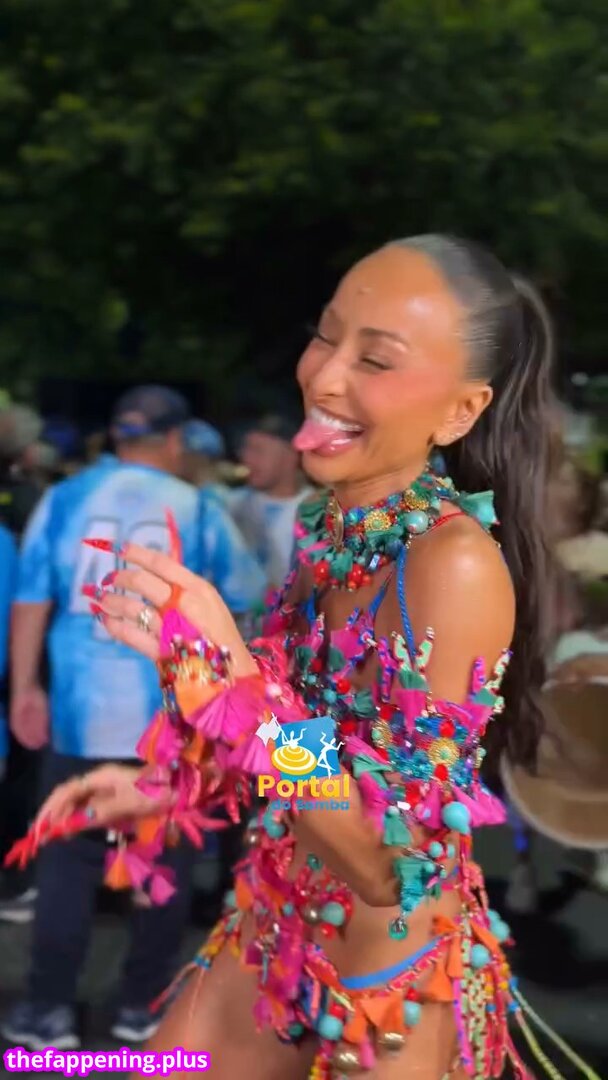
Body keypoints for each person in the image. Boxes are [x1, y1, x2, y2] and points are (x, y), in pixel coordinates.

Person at [25, 239, 597, 1080]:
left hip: (386, 986)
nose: (324, 376)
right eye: (326, 336)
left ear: (460, 411)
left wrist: (236, 683)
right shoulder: (332, 528)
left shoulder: (455, 565)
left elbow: (383, 861)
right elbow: (305, 739)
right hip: (272, 924)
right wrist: (168, 787)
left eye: (376, 359)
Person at [1, 385, 265, 1051]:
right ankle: (139, 1011)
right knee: (163, 865)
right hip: (169, 726)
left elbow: (32, 598)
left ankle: (47, 1013)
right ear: (174, 440)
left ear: (119, 436)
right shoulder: (198, 508)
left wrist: (25, 688)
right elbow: (246, 597)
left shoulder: (65, 498)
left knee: (66, 865)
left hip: (80, 716)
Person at [230, 414, 313, 590]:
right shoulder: (231, 505)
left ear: (291, 455)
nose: (247, 459)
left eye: (258, 450)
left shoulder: (317, 512)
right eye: (246, 449)